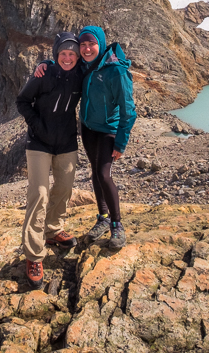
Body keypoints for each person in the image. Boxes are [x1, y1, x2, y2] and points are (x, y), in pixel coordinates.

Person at [35, 26, 136, 250]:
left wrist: (121, 142)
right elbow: (64, 62)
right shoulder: (84, 65)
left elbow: (128, 110)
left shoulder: (115, 71)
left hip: (108, 129)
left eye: (92, 44)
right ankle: (103, 216)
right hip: (88, 128)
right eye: (83, 44)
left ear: (100, 44)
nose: (87, 48)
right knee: (95, 171)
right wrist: (45, 63)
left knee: (103, 173)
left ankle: (117, 225)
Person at [15, 32, 83, 289]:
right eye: (63, 54)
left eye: (72, 54)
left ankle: (53, 230)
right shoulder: (43, 74)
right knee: (40, 194)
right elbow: (22, 101)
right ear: (56, 55)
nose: (67, 58)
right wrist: (36, 125)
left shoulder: (80, 75)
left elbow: (96, 63)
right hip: (39, 144)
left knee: (64, 188)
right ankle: (34, 255)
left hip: (66, 142)